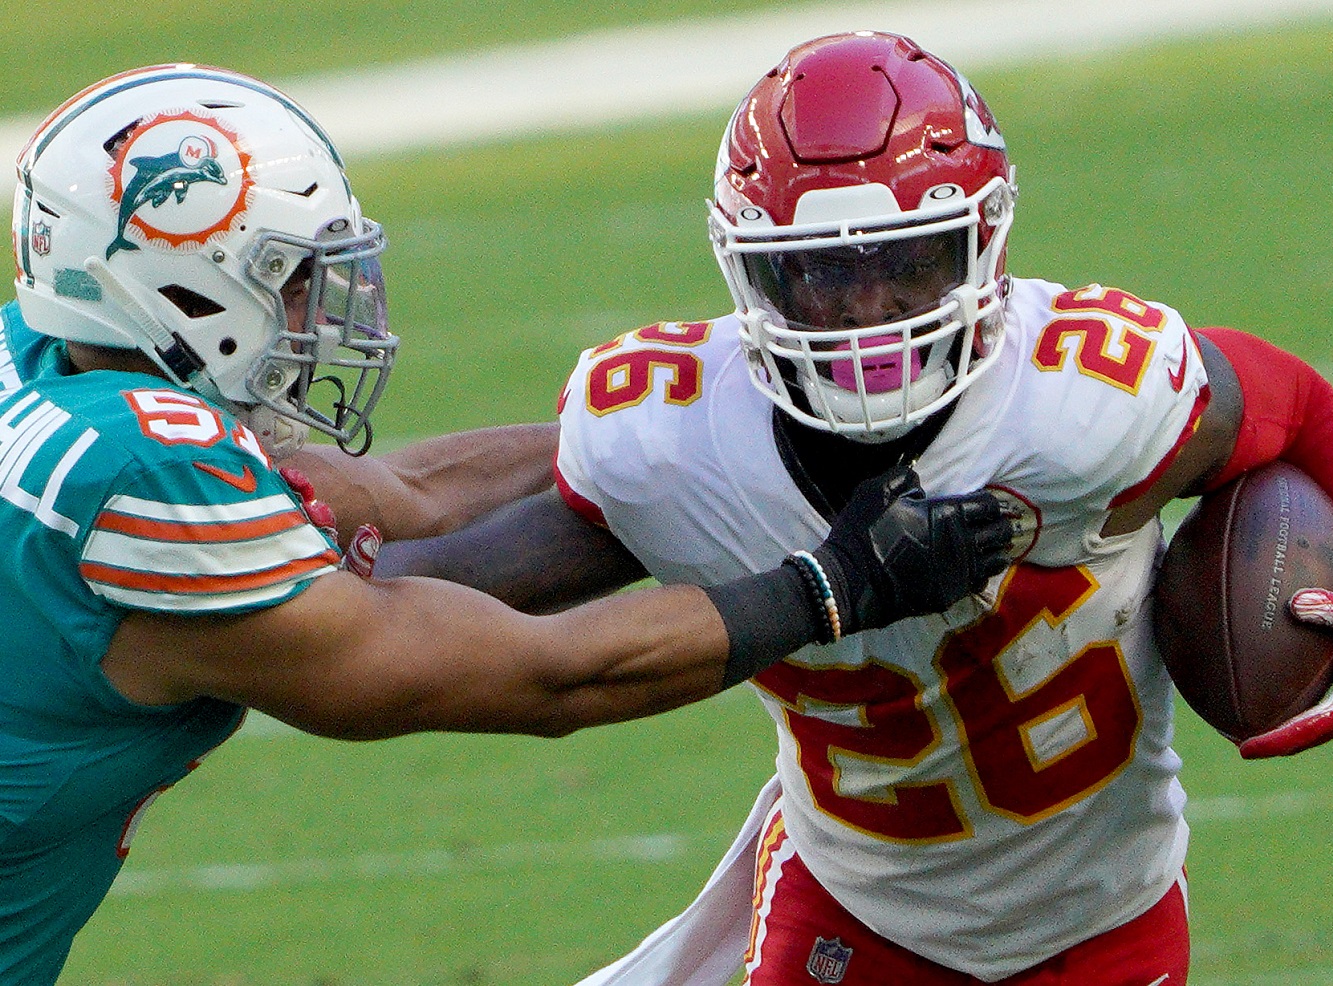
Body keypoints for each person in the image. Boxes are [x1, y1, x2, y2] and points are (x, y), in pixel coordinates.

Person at [370, 32, 1333, 985]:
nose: (867, 311)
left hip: (1107, 915)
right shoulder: (679, 437)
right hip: (857, 907)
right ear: (747, 274)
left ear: (982, 242)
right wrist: (292, 571)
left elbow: (1295, 401)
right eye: (819, 275)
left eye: (905, 263)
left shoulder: (1085, 398)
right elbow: (444, 598)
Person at [0, 63, 1022, 985]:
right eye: (293, 275)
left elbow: (399, 492)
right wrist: (836, 581)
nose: (318, 311)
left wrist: (719, 415)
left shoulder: (48, 356)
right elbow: (549, 675)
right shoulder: (147, 479)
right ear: (175, 286)